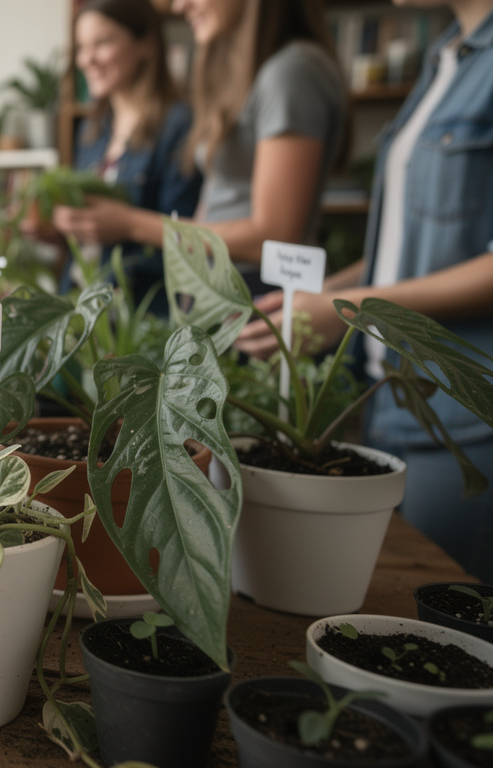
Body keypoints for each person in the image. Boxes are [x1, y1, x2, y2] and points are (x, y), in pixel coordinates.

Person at [237, 0, 493, 581]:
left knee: (444, 622)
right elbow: (407, 247)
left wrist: (349, 309)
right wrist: (330, 292)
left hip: (465, 413)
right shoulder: (448, 54)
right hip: (395, 401)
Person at [53, 0, 349, 293]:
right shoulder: (255, 74)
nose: (179, 7)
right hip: (224, 285)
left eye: (102, 42)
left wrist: (130, 224)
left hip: (259, 294)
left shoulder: (291, 72)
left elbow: (274, 237)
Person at [65, 0, 203, 314]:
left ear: (145, 44)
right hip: (82, 307)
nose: (87, 60)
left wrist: (126, 225)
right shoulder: (93, 128)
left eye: (102, 43)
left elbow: (193, 235)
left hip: (142, 314)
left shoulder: (180, 124)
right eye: (81, 47)